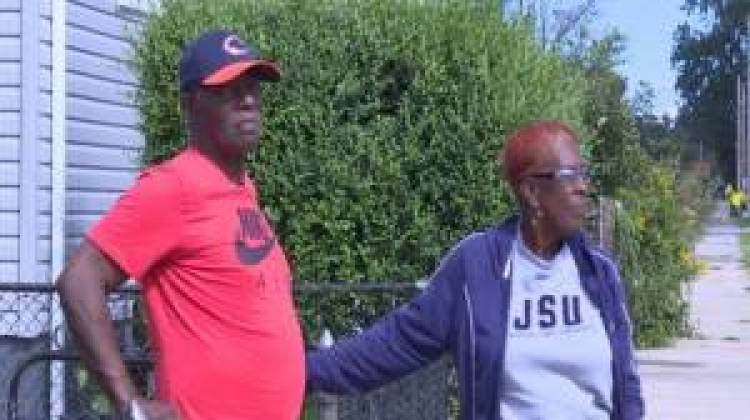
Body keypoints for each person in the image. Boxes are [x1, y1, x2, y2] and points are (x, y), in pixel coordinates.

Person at [306, 120, 644, 419]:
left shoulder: (599, 272)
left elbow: (626, 384)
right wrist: (298, 371)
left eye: (584, 174)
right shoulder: (477, 268)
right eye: (571, 175)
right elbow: (393, 344)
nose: (583, 187)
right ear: (531, 192)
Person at [57, 29, 305, 420]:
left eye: (253, 87)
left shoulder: (242, 190)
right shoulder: (173, 188)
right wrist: (128, 403)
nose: (247, 101)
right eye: (228, 90)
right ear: (190, 105)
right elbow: (79, 280)